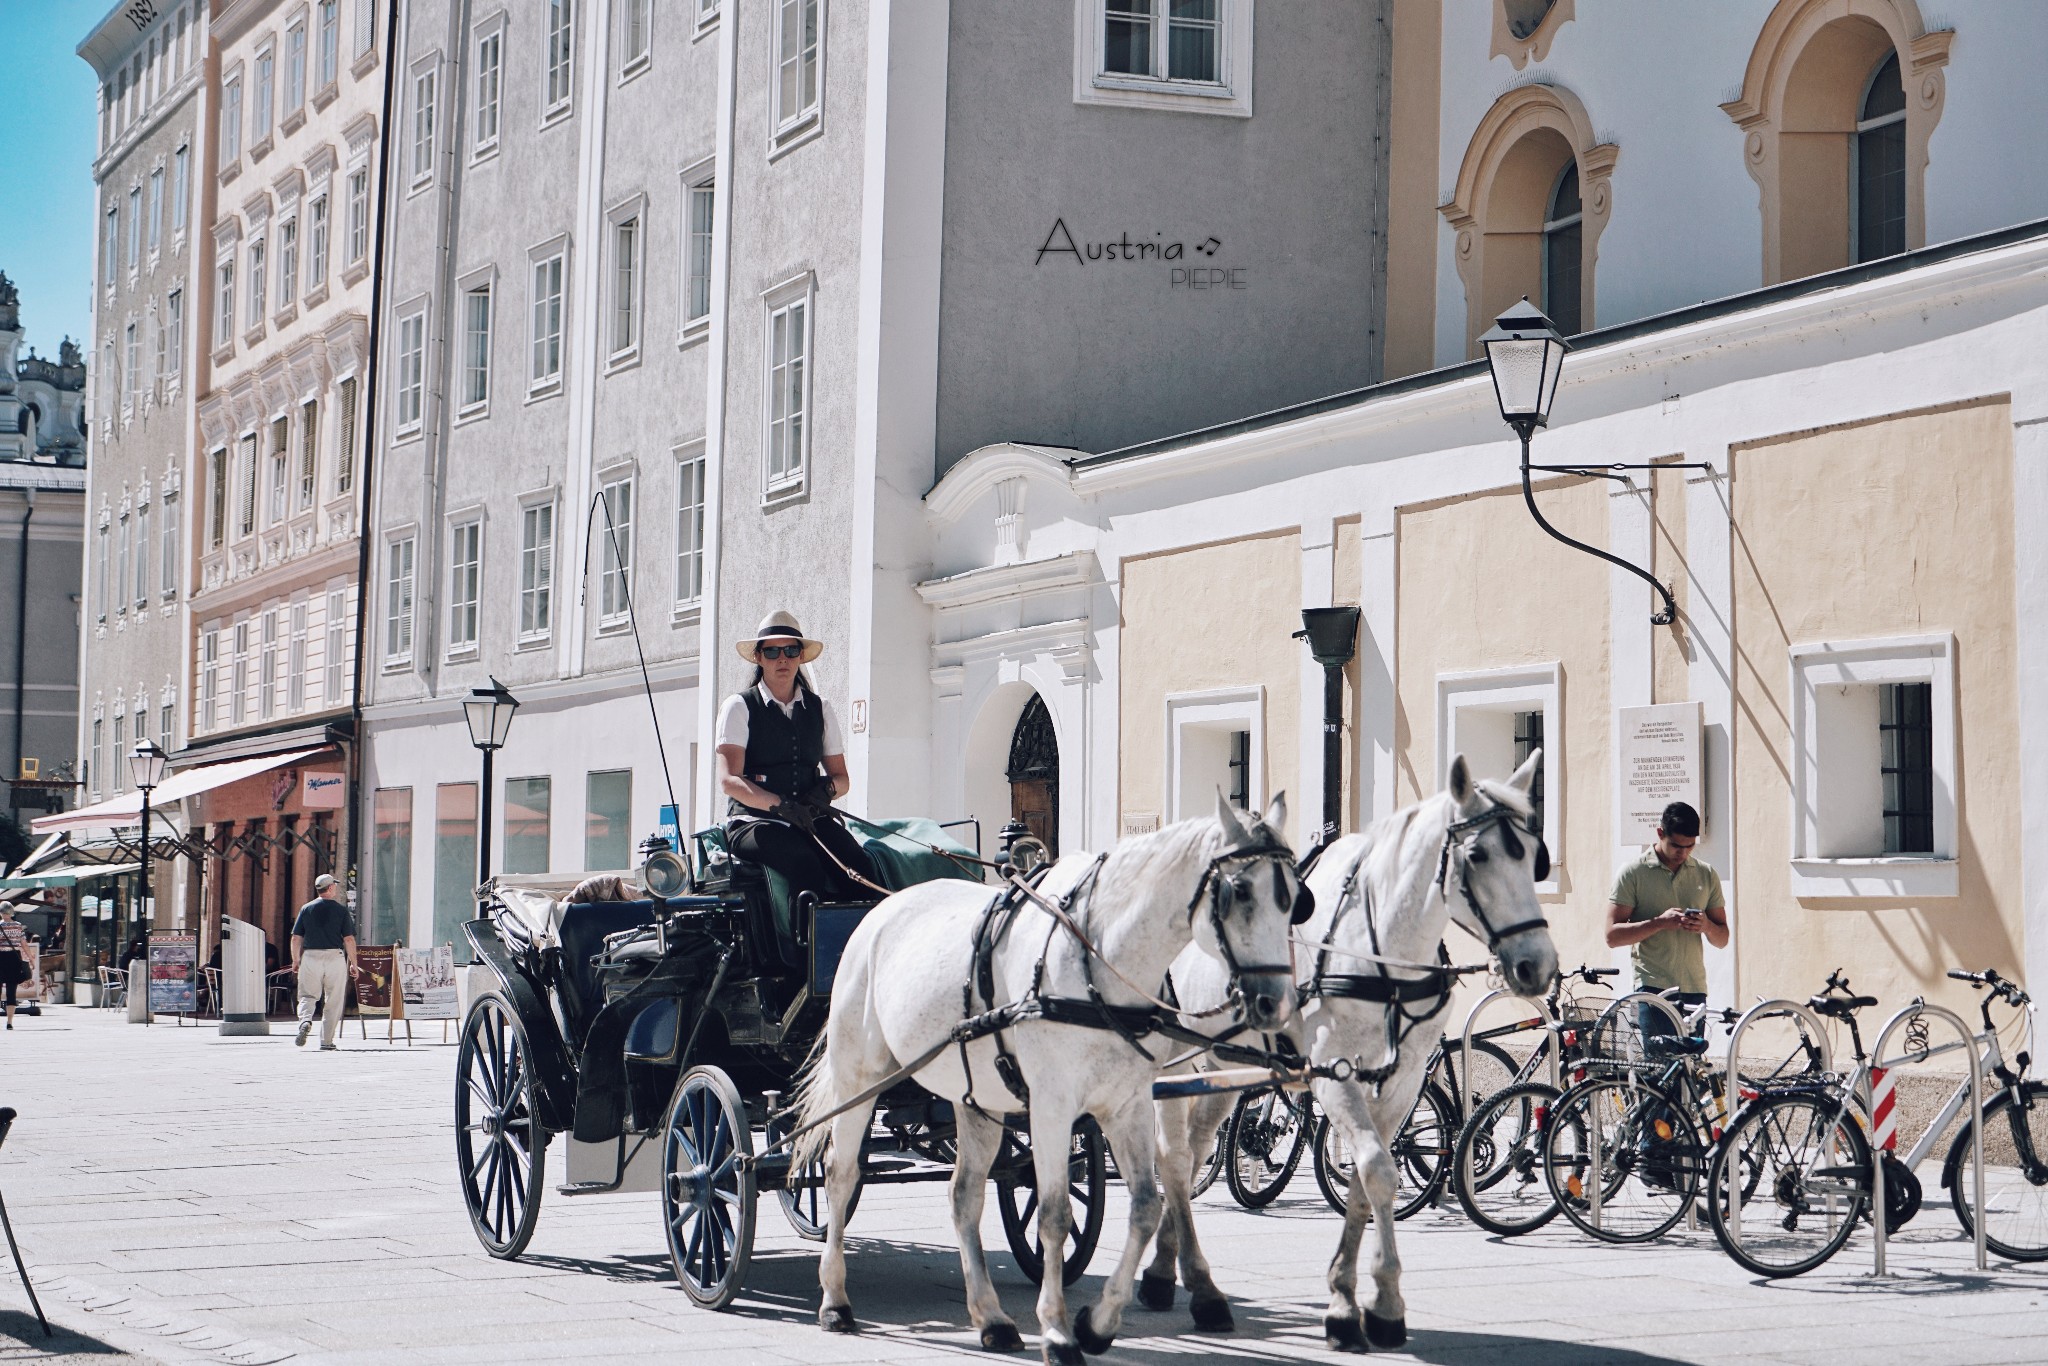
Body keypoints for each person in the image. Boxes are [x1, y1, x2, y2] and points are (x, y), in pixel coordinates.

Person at [715, 611, 879, 903]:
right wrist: (779, 805)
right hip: (753, 823)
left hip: (809, 819)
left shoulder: (820, 708)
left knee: (859, 865)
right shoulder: (739, 706)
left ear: (801, 656)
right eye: (772, 651)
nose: (782, 659)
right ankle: (802, 948)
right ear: (758, 657)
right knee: (804, 866)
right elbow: (729, 780)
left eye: (791, 650)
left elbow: (842, 779)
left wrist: (825, 791)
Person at [1605, 801, 1729, 1044]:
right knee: (1658, 1072)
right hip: (1653, 989)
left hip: (1694, 988)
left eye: (1690, 846)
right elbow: (1611, 935)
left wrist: (1706, 926)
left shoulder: (1706, 874)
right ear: (1660, 833)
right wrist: (1659, 922)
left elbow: (1723, 938)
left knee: (1689, 1073)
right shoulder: (1633, 873)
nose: (1682, 853)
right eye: (1675, 845)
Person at [290, 874, 360, 1050]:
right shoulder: (341, 910)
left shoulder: (306, 909)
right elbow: (349, 939)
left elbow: (296, 937)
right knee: (333, 1000)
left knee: (307, 995)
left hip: (311, 956)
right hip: (334, 957)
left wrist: (296, 960)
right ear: (329, 888)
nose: (335, 888)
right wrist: (353, 963)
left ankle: (305, 1020)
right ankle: (326, 1041)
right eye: (334, 886)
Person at [0, 905, 30, 1030]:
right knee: (11, 992)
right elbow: (24, 944)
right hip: (14, 958)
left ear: (1, 913)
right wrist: (31, 958)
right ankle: (9, 1022)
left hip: (1, 957)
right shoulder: (18, 925)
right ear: (11, 912)